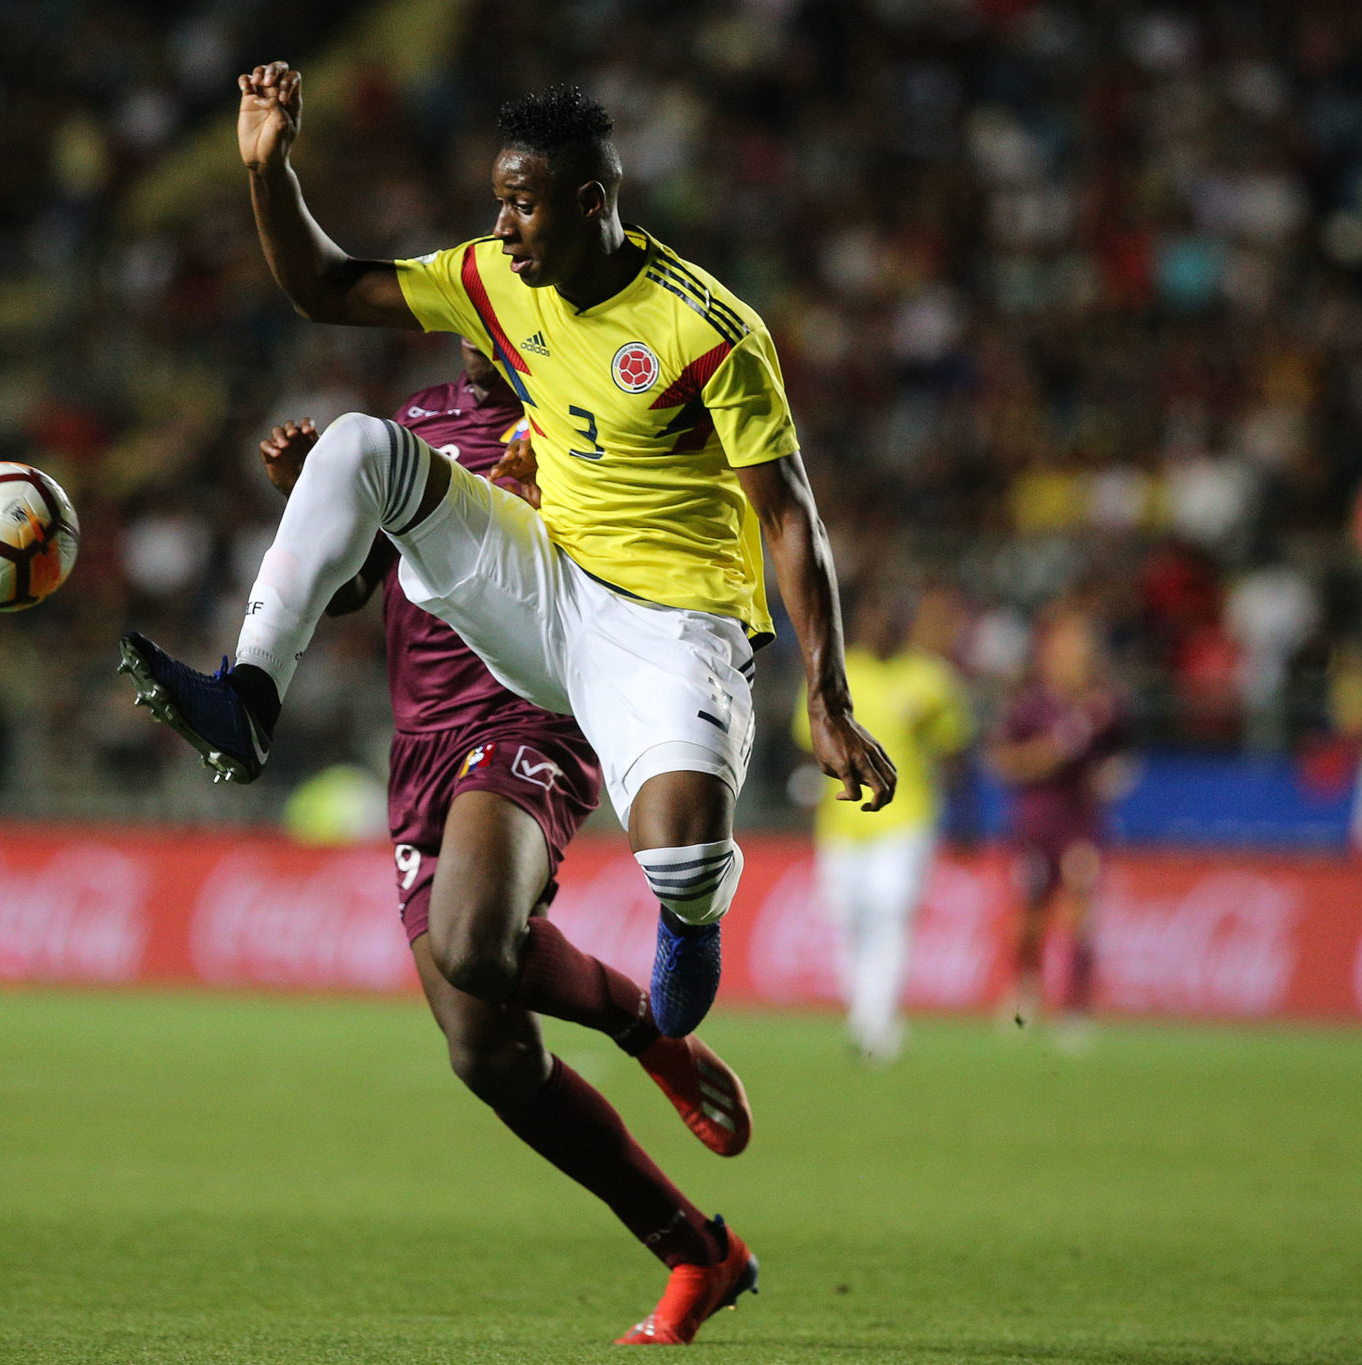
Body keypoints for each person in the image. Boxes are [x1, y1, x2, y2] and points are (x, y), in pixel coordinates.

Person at [118, 68, 895, 1058]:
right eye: (498, 201)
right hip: (544, 583)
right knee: (355, 444)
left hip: (672, 625)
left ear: (590, 201)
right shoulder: (491, 274)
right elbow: (324, 286)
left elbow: (790, 519)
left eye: (523, 204)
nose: (503, 224)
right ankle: (249, 694)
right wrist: (268, 169)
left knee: (683, 854)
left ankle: (691, 911)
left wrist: (825, 696)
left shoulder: (707, 330)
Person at [250, 338, 755, 1346]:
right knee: (483, 1052)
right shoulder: (419, 423)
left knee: (479, 943)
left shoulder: (589, 421)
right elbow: (358, 585)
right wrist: (302, 494)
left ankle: (645, 1026)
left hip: (531, 716)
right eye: (471, 335)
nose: (483, 357)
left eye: (505, 336)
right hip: (421, 742)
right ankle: (696, 1252)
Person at [794, 584, 971, 1064]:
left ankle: (877, 1023)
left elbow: (954, 749)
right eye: (872, 618)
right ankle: (864, 1015)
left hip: (906, 817)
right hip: (840, 819)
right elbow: (805, 740)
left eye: (890, 618)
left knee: (890, 914)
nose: (881, 627)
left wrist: (965, 816)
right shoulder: (833, 673)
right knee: (848, 917)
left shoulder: (931, 679)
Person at [986, 604, 1135, 1030]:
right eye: (1071, 648)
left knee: (1081, 904)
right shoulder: (1031, 706)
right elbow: (1001, 759)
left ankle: (1075, 1004)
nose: (1079, 658)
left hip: (1082, 819)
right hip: (1036, 819)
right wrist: (1049, 754)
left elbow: (1123, 756)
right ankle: (1025, 991)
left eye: (1085, 650)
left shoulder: (1106, 707)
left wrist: (1112, 774)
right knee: (1032, 913)